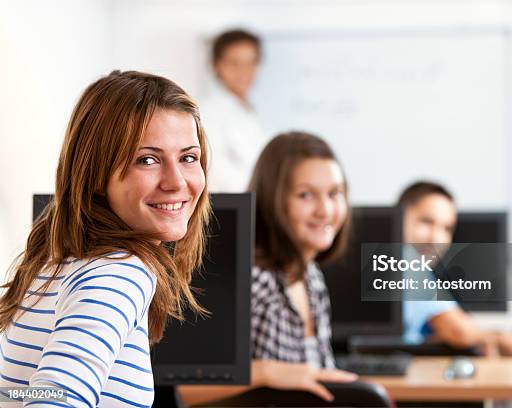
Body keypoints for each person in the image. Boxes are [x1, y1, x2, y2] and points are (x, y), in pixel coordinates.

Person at [0, 70, 211, 407]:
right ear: (96, 174)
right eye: (148, 160)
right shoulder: (121, 273)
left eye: (188, 158)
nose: (176, 181)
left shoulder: (52, 261)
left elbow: (16, 393)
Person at [180, 132, 358, 406]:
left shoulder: (310, 276)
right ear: (274, 200)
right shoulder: (253, 280)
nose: (325, 210)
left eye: (335, 194)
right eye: (306, 195)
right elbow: (180, 388)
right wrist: (264, 372)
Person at [399, 181, 512, 369]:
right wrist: (507, 340)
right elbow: (459, 331)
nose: (436, 238)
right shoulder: (405, 262)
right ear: (398, 217)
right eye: (426, 222)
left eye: (447, 229)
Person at [201, 29, 268, 192]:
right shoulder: (207, 112)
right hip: (235, 205)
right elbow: (215, 170)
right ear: (217, 65)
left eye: (251, 62)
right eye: (235, 63)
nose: (244, 71)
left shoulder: (248, 112)